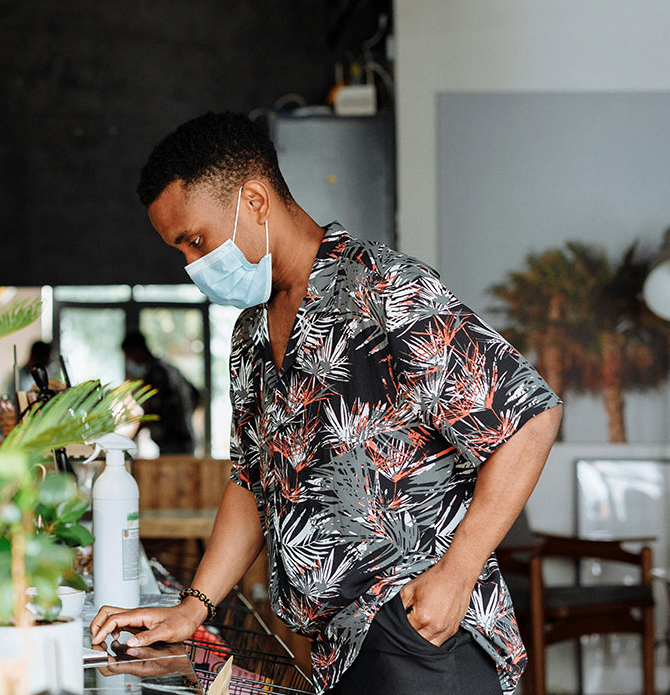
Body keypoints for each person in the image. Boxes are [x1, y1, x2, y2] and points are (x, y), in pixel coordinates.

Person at [90, 112, 562, 695]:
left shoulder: (385, 291)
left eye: (196, 240)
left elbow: (531, 418)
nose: (192, 265)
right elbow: (252, 481)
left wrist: (455, 578)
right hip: (338, 653)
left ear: (255, 201)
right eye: (180, 250)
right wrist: (194, 608)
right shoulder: (250, 335)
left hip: (421, 639)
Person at [121, 331, 200, 454]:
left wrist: (130, 439)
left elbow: (152, 411)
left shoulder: (155, 373)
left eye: (128, 355)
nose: (129, 360)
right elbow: (197, 396)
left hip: (172, 440)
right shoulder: (168, 367)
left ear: (137, 350)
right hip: (184, 437)